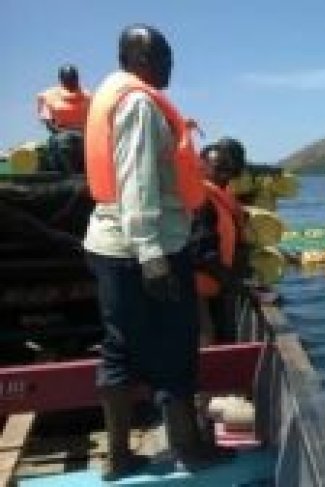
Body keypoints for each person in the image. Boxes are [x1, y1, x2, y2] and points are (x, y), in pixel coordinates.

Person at [82, 24, 225, 480]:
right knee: (176, 347)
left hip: (109, 243)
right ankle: (189, 447)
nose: (169, 66)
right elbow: (137, 180)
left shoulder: (113, 94)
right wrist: (151, 254)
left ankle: (118, 456)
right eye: (161, 57)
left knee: (119, 348)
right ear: (137, 60)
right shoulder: (141, 105)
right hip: (148, 247)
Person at [191, 138, 248, 345]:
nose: (225, 174)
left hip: (218, 289)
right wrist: (231, 281)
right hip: (199, 294)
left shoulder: (220, 199)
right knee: (209, 344)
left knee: (225, 342)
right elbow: (200, 252)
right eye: (218, 168)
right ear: (203, 167)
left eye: (228, 169)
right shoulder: (200, 201)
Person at [37, 64, 91, 172]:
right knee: (64, 142)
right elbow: (49, 125)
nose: (72, 82)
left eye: (74, 78)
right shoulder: (48, 96)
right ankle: (70, 175)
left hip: (86, 134)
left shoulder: (88, 96)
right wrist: (70, 132)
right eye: (68, 79)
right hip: (60, 133)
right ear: (61, 80)